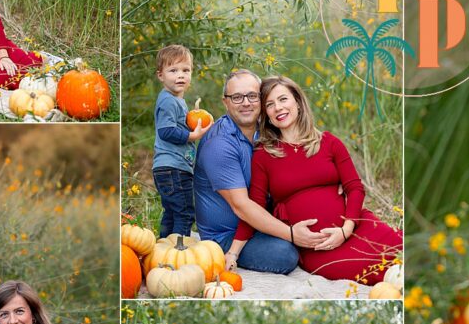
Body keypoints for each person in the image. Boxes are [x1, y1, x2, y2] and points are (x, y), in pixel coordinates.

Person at [230, 76, 403, 284]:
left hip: (355, 227)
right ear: (266, 114)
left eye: (283, 99)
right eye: (270, 104)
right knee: (379, 274)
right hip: (318, 248)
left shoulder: (329, 142)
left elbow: (355, 188)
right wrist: (233, 253)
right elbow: (253, 209)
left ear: (297, 102)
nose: (278, 108)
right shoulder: (264, 156)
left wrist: (345, 230)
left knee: (403, 250)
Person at [193, 69, 326, 275]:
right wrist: (291, 234)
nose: (246, 103)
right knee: (285, 255)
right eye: (237, 97)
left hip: (261, 218)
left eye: (252, 96)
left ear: (261, 100)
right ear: (225, 102)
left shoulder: (264, 130)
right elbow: (242, 207)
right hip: (226, 235)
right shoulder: (219, 144)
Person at [152, 44, 210, 238]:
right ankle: (178, 252)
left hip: (172, 168)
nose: (180, 75)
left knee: (172, 213)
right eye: (173, 70)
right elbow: (166, 131)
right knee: (184, 214)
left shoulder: (178, 101)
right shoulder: (168, 100)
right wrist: (192, 136)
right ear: (161, 75)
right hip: (173, 168)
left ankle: (163, 247)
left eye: (186, 70)